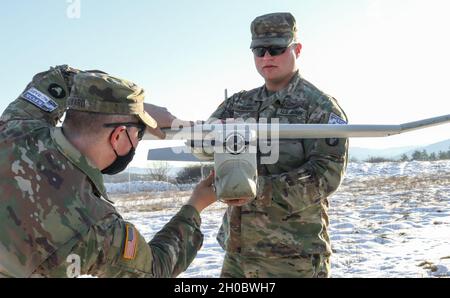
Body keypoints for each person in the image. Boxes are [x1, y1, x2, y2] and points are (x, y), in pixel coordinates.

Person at [0, 65, 216, 278]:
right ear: (119, 136)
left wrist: (134, 108)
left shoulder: (17, 126)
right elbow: (157, 268)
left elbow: (60, 76)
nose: (138, 141)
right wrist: (195, 205)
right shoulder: (95, 226)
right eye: (138, 135)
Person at [206, 13, 349, 277]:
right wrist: (203, 135)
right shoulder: (239, 103)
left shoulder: (320, 108)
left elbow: (326, 176)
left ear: (297, 49)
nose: (266, 57)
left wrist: (255, 189)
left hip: (293, 257)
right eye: (259, 51)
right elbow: (202, 145)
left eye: (276, 49)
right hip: (238, 253)